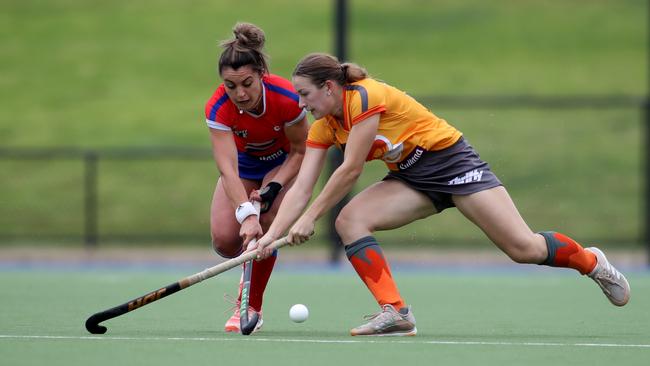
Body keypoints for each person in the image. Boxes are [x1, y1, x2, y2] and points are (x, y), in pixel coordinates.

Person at [253, 53, 631, 336]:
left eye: (306, 95)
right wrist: (270, 239)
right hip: (411, 177)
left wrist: (308, 219)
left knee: (524, 249)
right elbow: (302, 186)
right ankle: (396, 312)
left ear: (330, 87)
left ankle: (591, 262)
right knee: (350, 220)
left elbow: (350, 169)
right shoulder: (324, 127)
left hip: (453, 165)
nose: (302, 105)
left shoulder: (364, 98)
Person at [203, 23, 308, 334]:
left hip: (284, 162)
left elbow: (301, 152)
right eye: (231, 86)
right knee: (225, 241)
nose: (240, 93)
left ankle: (249, 306)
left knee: (268, 223)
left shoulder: (287, 98)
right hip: (245, 167)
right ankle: (251, 259)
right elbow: (227, 169)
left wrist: (271, 190)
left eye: (247, 83)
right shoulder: (219, 107)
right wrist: (245, 214)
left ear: (262, 73)